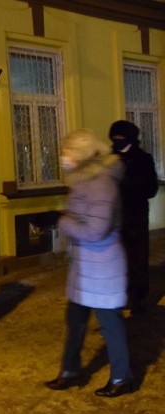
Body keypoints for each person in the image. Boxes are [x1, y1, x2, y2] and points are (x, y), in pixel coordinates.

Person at [45, 129, 134, 398]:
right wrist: (64, 216)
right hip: (85, 267)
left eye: (67, 151)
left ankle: (121, 378)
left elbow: (97, 230)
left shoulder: (100, 182)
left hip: (103, 266)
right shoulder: (84, 180)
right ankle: (69, 372)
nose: (63, 157)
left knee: (110, 324)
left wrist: (62, 221)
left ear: (81, 153)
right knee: (75, 320)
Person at [108, 120, 158, 315]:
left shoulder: (143, 159)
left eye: (121, 137)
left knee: (137, 258)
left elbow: (151, 189)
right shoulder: (108, 158)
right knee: (115, 259)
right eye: (114, 137)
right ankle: (118, 295)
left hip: (135, 217)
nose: (117, 141)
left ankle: (139, 297)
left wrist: (128, 187)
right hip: (113, 218)